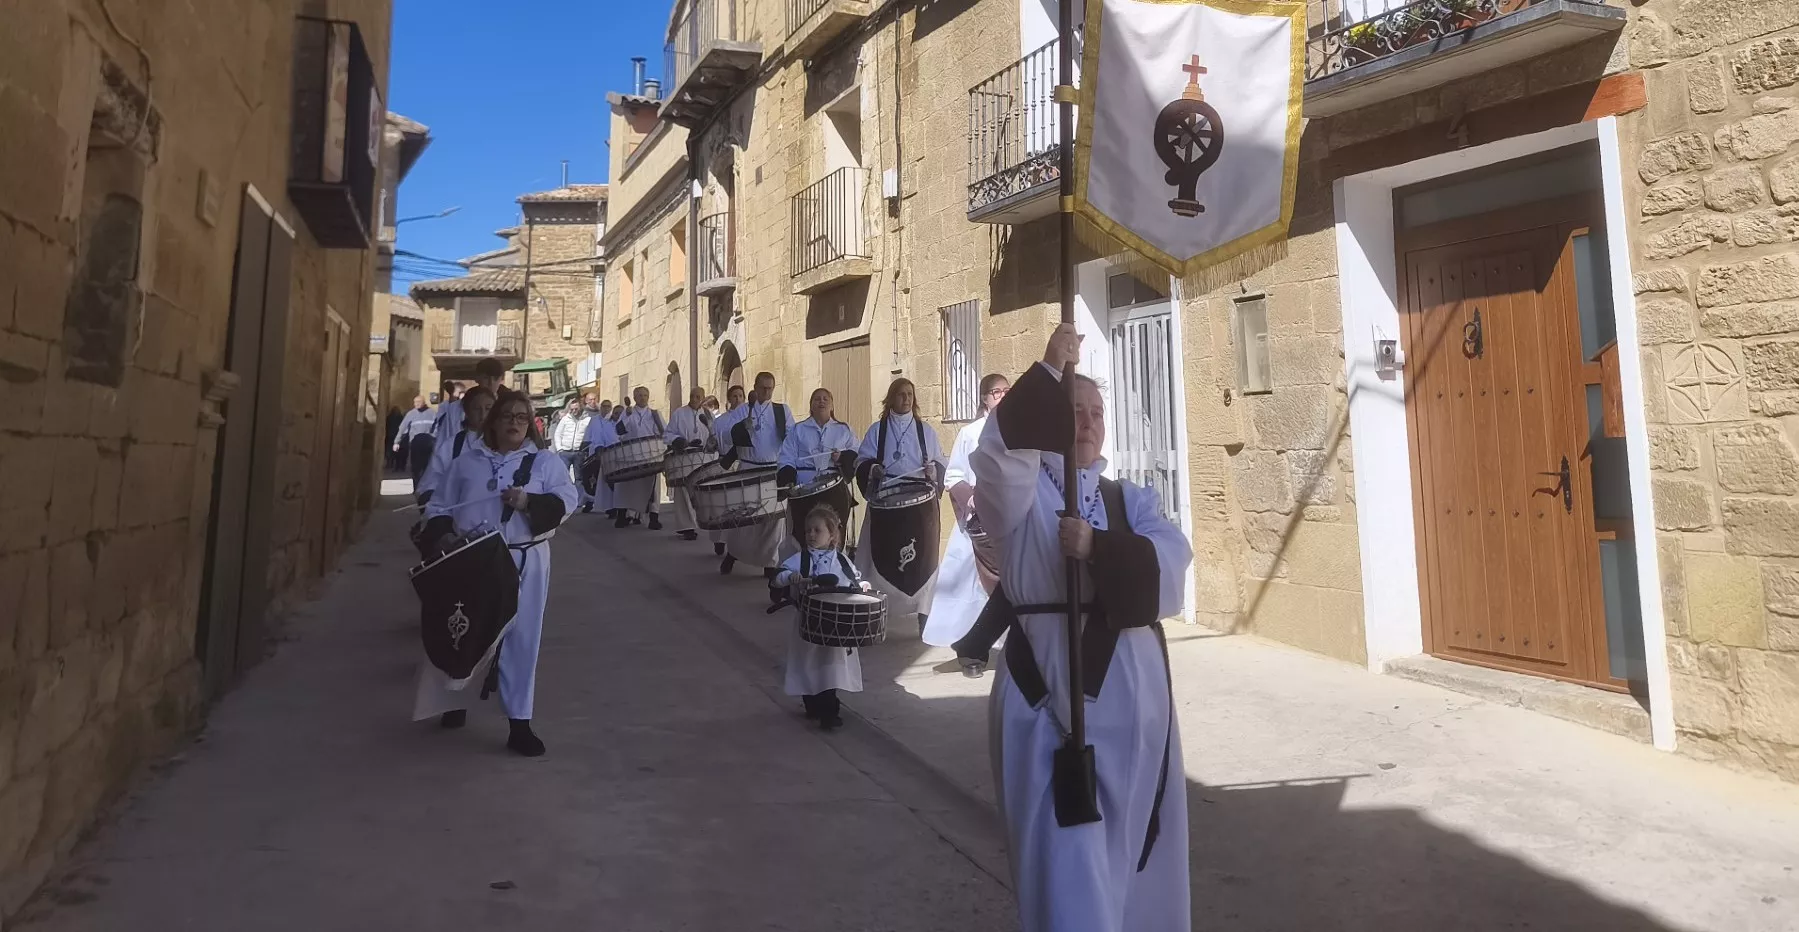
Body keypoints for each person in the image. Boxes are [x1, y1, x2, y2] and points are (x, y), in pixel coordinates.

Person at [961, 324, 1192, 932]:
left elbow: (1172, 559)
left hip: (1134, 706)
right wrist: (1047, 369)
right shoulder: (1021, 494)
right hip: (1048, 704)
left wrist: (1098, 547)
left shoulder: (1127, 498)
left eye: (1096, 413)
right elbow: (996, 454)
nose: (1087, 423)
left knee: (1135, 856)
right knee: (1067, 863)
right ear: (1049, 420)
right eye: (1074, 411)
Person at [414, 389, 579, 757]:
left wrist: (528, 503)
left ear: (531, 424)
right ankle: (453, 701)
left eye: (522, 417)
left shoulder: (544, 463)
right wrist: (443, 535)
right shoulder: (466, 461)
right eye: (507, 416)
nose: (515, 423)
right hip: (471, 559)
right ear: (493, 422)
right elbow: (440, 504)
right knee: (463, 631)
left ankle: (519, 723)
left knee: (521, 640)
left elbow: (569, 500)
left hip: (525, 561)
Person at [923, 373, 1010, 652]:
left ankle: (1007, 644)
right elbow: (954, 474)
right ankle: (971, 651)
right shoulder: (970, 433)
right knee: (969, 588)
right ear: (985, 398)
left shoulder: (1019, 429)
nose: (1003, 396)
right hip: (977, 521)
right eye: (997, 392)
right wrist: (971, 498)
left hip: (1009, 521)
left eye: (1007, 390)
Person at [853, 377, 947, 627]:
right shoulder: (877, 430)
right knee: (876, 557)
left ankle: (924, 614)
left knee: (924, 562)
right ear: (891, 398)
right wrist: (872, 469)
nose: (906, 399)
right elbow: (861, 461)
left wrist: (933, 471)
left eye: (910, 395)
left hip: (920, 507)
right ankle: (875, 609)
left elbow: (941, 462)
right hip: (886, 502)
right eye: (901, 394)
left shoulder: (925, 431)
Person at [772, 504, 866, 731]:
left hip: (834, 622)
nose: (811, 535)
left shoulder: (841, 560)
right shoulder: (800, 559)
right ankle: (812, 703)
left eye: (817, 530)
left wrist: (862, 585)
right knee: (808, 663)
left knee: (830, 666)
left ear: (832, 535)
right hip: (808, 620)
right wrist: (789, 577)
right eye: (808, 531)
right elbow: (777, 577)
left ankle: (829, 712)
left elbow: (853, 579)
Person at [713, 371, 792, 577]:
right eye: (763, 387)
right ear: (755, 388)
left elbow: (792, 437)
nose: (766, 391)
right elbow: (726, 435)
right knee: (743, 517)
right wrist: (741, 428)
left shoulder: (781, 411)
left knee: (773, 520)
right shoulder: (742, 411)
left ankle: (770, 562)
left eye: (770, 388)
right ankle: (733, 554)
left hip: (773, 472)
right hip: (748, 470)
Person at [777, 387, 859, 559]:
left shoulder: (844, 430)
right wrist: (789, 480)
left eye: (825, 399)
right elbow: (786, 457)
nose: (821, 401)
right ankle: (800, 567)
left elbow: (858, 453)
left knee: (833, 530)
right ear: (811, 406)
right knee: (803, 531)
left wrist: (842, 457)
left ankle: (833, 568)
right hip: (804, 488)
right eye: (817, 399)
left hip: (834, 489)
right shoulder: (797, 430)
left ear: (831, 405)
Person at [418, 359, 507, 504]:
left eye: (495, 379)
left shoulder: (506, 409)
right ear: (478, 378)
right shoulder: (455, 410)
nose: (490, 383)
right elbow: (444, 443)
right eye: (486, 378)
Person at [414, 387, 496, 507]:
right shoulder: (452, 446)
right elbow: (429, 484)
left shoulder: (507, 444)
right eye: (476, 409)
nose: (483, 414)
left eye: (488, 408)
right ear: (466, 412)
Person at [664, 385, 715, 541]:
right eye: (692, 396)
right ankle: (687, 527)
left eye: (698, 397)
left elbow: (714, 433)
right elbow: (668, 434)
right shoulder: (679, 413)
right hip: (684, 459)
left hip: (702, 459)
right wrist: (678, 440)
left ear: (703, 398)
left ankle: (702, 521)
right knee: (683, 492)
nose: (694, 399)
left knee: (701, 492)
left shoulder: (707, 415)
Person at [614, 386, 666, 530]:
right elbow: (618, 431)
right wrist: (628, 417)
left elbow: (664, 432)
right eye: (639, 395)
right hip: (630, 454)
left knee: (653, 487)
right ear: (635, 398)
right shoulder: (628, 412)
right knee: (626, 485)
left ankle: (654, 518)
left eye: (645, 395)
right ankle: (622, 515)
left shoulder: (654, 414)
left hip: (650, 454)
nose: (642, 398)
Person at [550, 396, 592, 512]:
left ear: (580, 408)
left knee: (579, 478)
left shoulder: (586, 420)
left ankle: (578, 500)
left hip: (578, 453)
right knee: (563, 477)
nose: (574, 411)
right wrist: (560, 449)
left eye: (576, 409)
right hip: (565, 452)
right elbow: (557, 434)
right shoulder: (566, 419)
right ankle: (563, 499)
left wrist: (585, 449)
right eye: (572, 409)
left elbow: (589, 435)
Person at [582, 400, 620, 517]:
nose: (606, 408)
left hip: (612, 454)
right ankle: (593, 502)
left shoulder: (613, 422)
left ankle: (613, 507)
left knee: (610, 481)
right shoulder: (594, 421)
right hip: (596, 454)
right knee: (595, 480)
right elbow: (588, 436)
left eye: (609, 406)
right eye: (604, 406)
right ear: (601, 407)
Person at [395, 396, 437, 484]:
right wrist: (397, 442)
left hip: (428, 444)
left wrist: (434, 438)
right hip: (415, 444)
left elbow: (437, 427)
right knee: (415, 467)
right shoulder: (411, 414)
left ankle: (425, 487)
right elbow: (403, 428)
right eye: (415, 402)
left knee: (427, 466)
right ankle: (416, 486)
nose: (416, 404)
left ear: (424, 402)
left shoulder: (432, 413)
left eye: (419, 402)